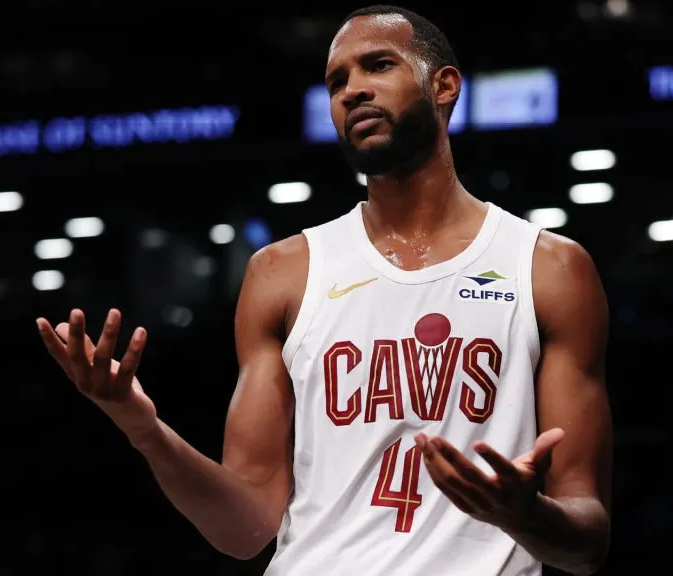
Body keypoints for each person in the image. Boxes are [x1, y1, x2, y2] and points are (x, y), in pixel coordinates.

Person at [36, 5, 613, 575]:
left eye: (378, 66)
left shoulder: (547, 267)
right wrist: (144, 429)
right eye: (338, 80)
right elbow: (245, 530)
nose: (352, 90)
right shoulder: (282, 272)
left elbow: (586, 541)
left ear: (444, 86)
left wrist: (526, 515)